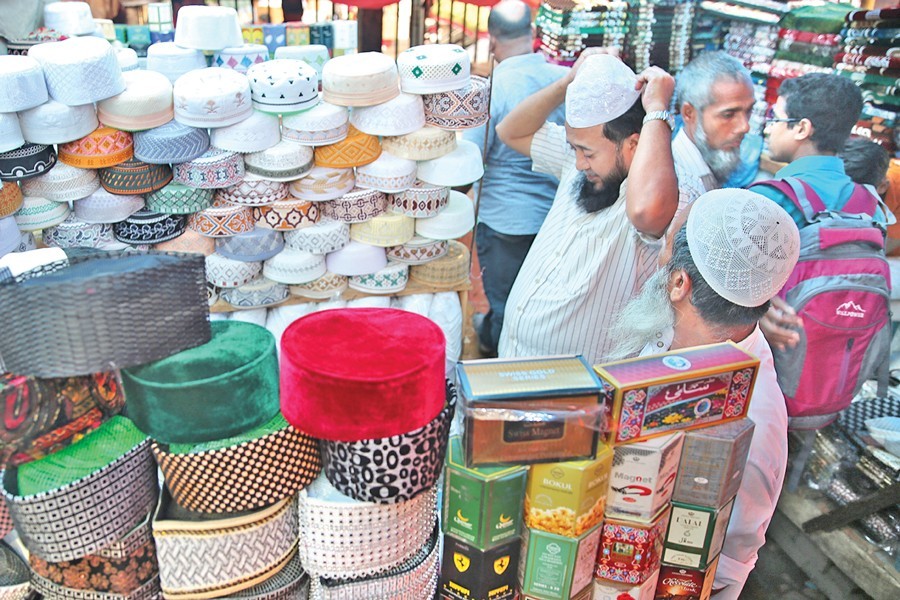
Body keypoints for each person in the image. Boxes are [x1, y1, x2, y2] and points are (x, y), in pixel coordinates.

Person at [607, 188, 801, 600]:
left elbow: (729, 559)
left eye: (667, 245)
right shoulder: (676, 328)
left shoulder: (755, 418)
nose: (659, 255)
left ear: (679, 282)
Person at [495, 50, 679, 364]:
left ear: (633, 146)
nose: (580, 163)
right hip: (515, 363)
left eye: (588, 153)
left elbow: (648, 213)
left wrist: (657, 111)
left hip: (575, 395)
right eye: (574, 148)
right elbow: (510, 131)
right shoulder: (576, 164)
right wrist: (568, 81)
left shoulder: (644, 196)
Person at [464, 0, 568, 358]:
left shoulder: (490, 89)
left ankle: (499, 368)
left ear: (492, 42)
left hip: (504, 221)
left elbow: (471, 162)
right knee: (542, 306)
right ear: (534, 34)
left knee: (505, 305)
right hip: (556, 218)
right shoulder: (562, 81)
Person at [754, 73, 876, 350]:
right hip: (836, 365)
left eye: (776, 119)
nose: (769, 129)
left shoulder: (769, 200)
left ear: (801, 128)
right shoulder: (870, 205)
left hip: (774, 357)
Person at [674, 51, 756, 201]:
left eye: (749, 111)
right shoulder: (676, 183)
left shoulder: (710, 163)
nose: (745, 127)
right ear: (689, 113)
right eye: (728, 115)